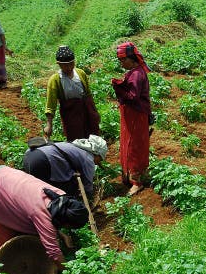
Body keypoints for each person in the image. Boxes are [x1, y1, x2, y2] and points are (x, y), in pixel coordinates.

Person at [0, 166, 88, 265]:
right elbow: (54, 253)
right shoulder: (41, 213)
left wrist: (61, 235)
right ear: (66, 222)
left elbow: (52, 222)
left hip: (8, 177)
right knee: (4, 245)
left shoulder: (60, 196)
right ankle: (3, 272)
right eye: (68, 227)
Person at [113, 42, 152, 196]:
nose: (122, 63)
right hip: (132, 116)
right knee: (129, 143)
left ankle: (136, 182)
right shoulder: (135, 71)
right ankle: (130, 175)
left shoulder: (136, 74)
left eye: (123, 60)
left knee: (133, 146)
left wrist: (118, 87)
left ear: (132, 59)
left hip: (135, 116)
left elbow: (133, 96)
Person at [44, 46, 101, 141]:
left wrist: (94, 113)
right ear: (59, 64)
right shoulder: (55, 80)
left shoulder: (81, 73)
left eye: (72, 64)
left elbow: (88, 96)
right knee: (76, 142)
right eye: (65, 65)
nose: (69, 67)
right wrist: (49, 124)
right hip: (71, 116)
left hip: (87, 113)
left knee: (93, 140)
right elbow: (51, 105)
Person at [22, 135, 107, 199]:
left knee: (35, 188)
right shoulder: (88, 158)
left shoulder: (74, 146)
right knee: (49, 193)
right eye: (99, 159)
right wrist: (88, 197)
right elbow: (88, 185)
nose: (97, 163)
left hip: (29, 155)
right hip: (41, 162)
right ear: (97, 154)